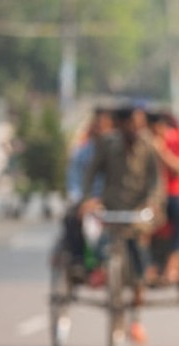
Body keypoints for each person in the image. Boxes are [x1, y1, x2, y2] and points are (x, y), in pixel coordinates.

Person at [80, 104, 164, 344]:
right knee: (96, 236)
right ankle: (98, 269)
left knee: (138, 255)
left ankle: (136, 316)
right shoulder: (107, 144)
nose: (138, 128)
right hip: (112, 208)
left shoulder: (148, 145)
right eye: (133, 124)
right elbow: (90, 173)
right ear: (123, 124)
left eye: (140, 124)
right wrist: (87, 200)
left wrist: (153, 203)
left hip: (139, 211)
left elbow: (156, 182)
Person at [63, 107, 114, 280]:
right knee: (71, 217)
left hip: (113, 201)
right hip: (87, 199)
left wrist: (102, 200)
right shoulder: (84, 151)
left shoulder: (119, 151)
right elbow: (75, 178)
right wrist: (83, 199)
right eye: (98, 126)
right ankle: (80, 261)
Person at [149, 111, 179, 284]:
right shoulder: (143, 141)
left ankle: (174, 261)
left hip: (176, 194)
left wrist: (161, 151)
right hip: (150, 196)